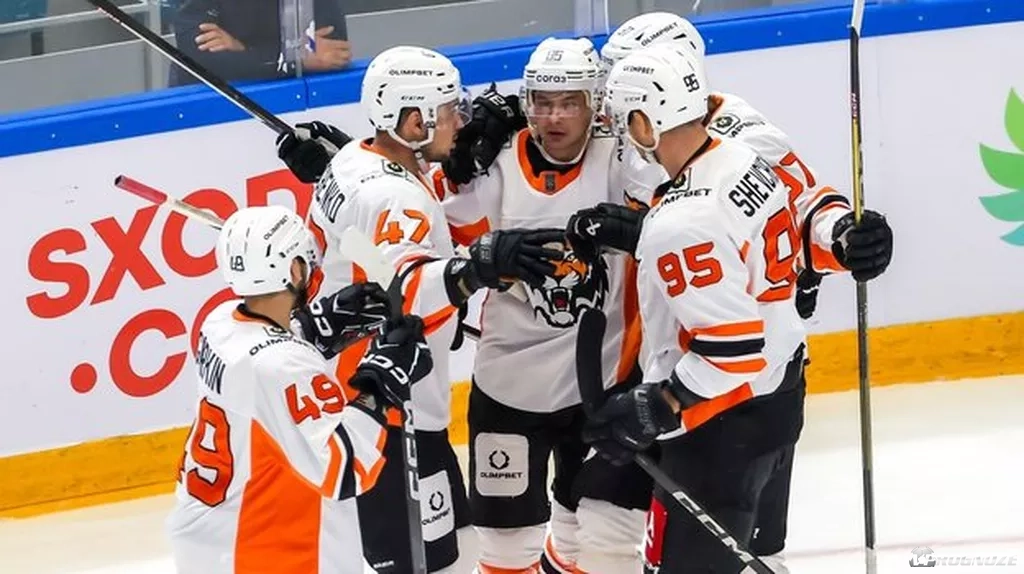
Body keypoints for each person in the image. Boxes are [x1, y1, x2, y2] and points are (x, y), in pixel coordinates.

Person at [571, 42, 892, 573]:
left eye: (624, 120)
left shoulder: (681, 223)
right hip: (778, 397)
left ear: (646, 123)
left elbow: (731, 350)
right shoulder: (743, 161)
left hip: (720, 425)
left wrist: (660, 403)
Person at [277, 45, 565, 573]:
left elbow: (378, 260)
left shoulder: (355, 160)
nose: (462, 120)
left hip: (384, 400)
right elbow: (406, 289)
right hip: (389, 411)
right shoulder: (394, 196)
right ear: (414, 122)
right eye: (450, 110)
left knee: (461, 547)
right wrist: (475, 270)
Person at [434, 37, 663, 574]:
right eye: (540, 102)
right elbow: (436, 247)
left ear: (596, 104)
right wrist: (455, 177)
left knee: (600, 540)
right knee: (505, 549)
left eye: (569, 103)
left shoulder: (623, 157)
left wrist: (641, 228)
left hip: (602, 388)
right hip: (510, 388)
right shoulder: (494, 166)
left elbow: (674, 206)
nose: (554, 117)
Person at [166, 205, 434, 574]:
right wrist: (383, 378)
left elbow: (271, 349)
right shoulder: (284, 366)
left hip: (212, 541)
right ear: (294, 270)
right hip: (267, 554)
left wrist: (324, 322)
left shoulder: (219, 323)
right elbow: (347, 469)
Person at [170, 0, 352, 87]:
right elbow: (201, 60)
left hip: (291, 101)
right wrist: (294, 58)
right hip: (207, 110)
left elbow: (333, 53)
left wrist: (243, 51)